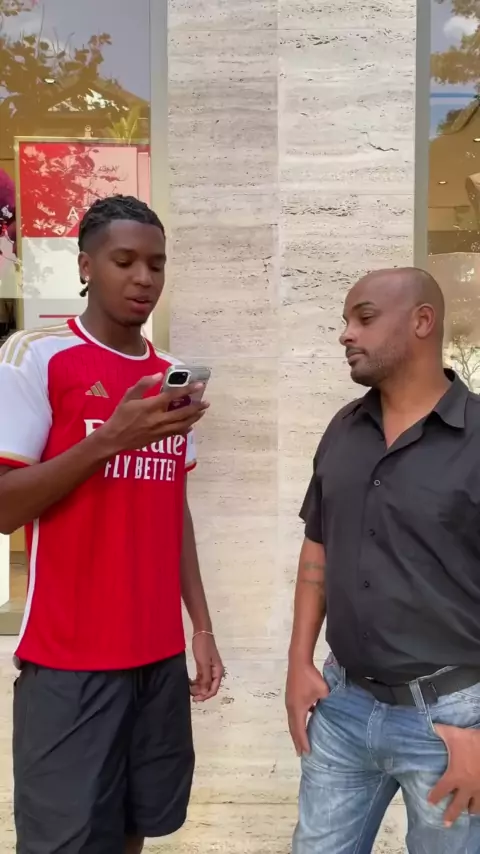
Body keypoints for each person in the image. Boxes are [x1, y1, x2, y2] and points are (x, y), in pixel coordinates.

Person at [0, 194, 224, 854]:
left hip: (157, 657)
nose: (144, 277)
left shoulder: (166, 378)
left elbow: (173, 509)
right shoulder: (36, 357)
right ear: (85, 266)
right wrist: (108, 439)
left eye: (157, 263)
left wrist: (201, 626)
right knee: (65, 842)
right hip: (69, 662)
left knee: (136, 826)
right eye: (124, 261)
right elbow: (6, 507)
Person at [286, 267, 480, 853]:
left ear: (422, 321)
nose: (346, 333)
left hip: (454, 723)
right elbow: (318, 545)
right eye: (345, 320)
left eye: (364, 318)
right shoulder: (344, 429)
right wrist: (298, 663)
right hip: (342, 708)